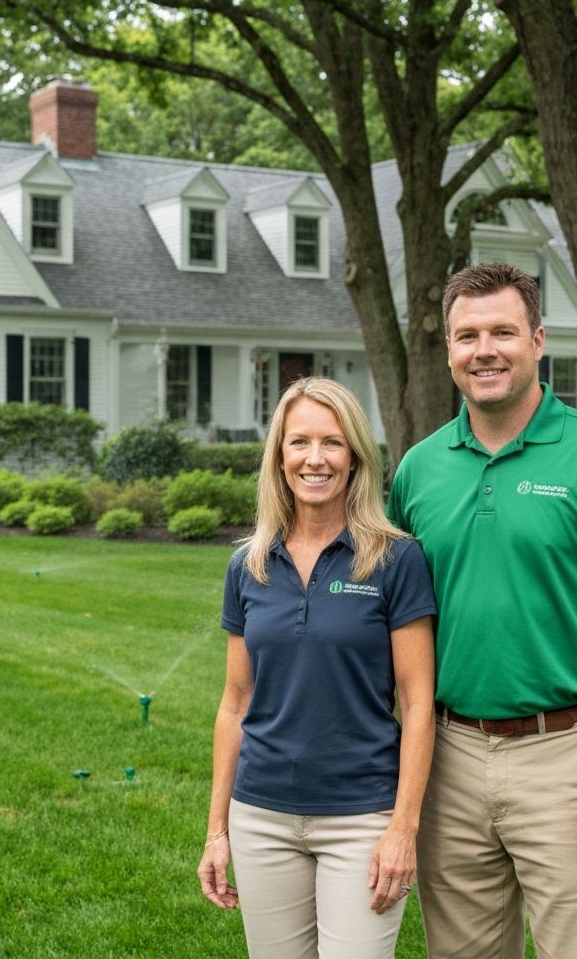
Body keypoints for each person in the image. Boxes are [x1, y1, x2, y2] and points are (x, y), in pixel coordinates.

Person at [386, 261, 577, 959]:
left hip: (569, 754)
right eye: (467, 336)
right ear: (449, 351)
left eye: (502, 332)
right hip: (448, 757)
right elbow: (396, 624)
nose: (483, 350)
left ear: (538, 340)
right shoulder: (418, 472)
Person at [197, 377, 436, 959]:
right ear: (279, 457)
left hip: (361, 818)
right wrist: (217, 831)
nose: (315, 459)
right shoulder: (248, 565)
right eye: (299, 442)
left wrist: (403, 829)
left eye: (332, 443)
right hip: (262, 816)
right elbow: (235, 703)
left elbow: (418, 703)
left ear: (354, 457)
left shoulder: (394, 558)